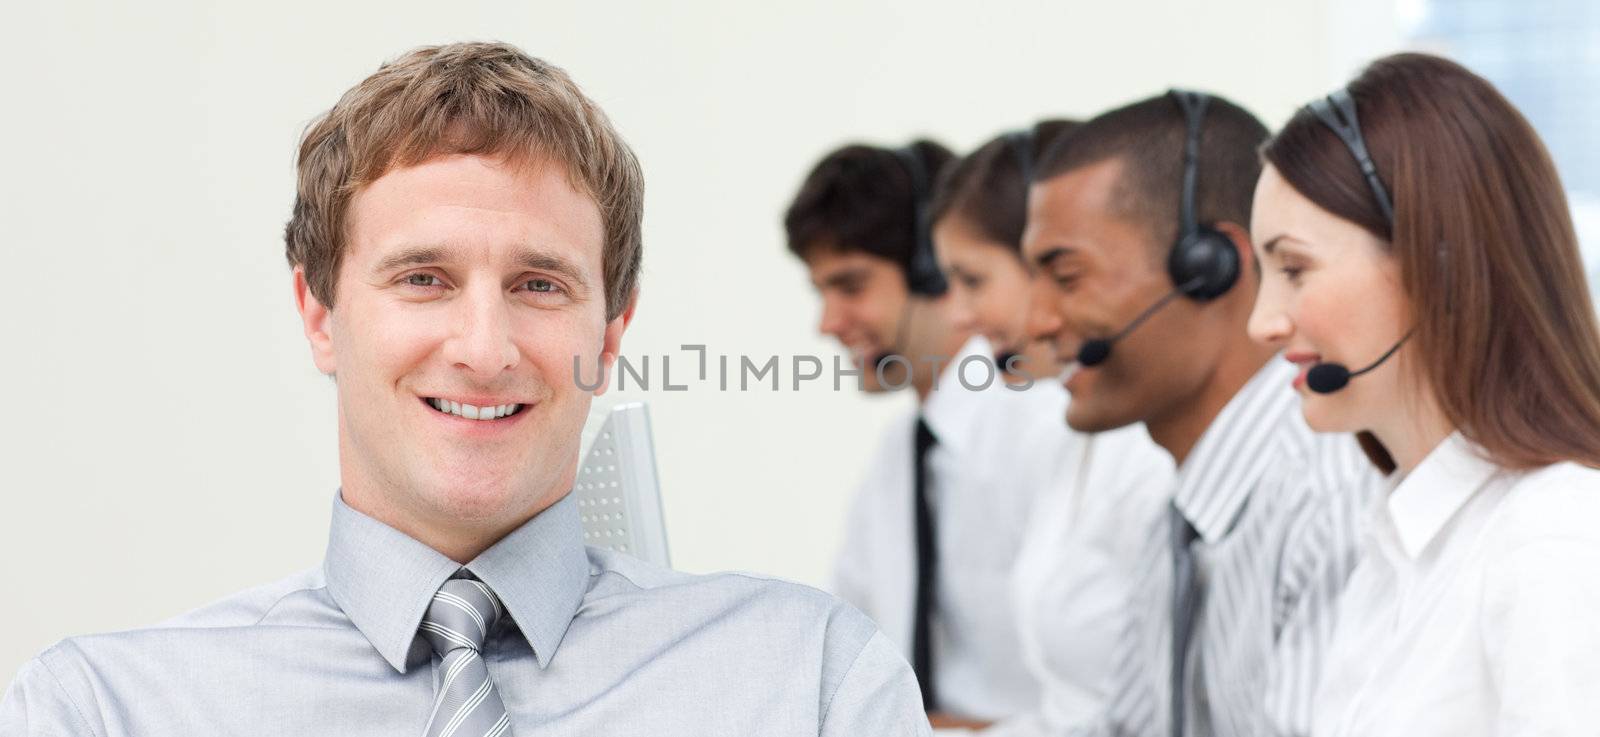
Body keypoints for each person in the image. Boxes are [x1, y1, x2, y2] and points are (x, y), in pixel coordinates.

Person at [0, 42, 930, 737]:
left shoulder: (809, 684)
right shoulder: (101, 710)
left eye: (539, 284)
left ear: (611, 332)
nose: (485, 350)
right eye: (422, 279)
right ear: (320, 313)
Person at [1249, 52, 1600, 736]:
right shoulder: (1401, 540)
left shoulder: (1555, 536)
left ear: (1437, 261)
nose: (1262, 321)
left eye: (1294, 268)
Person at [1020, 90, 1380, 736]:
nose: (1036, 322)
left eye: (1066, 277)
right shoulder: (1179, 523)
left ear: (1208, 268)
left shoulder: (1330, 505)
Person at [925, 121, 1174, 735]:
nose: (958, 315)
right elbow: (1083, 710)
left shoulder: (1149, 456)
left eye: (974, 280)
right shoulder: (1077, 435)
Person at [784, 141, 1041, 727]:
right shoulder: (898, 459)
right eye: (821, 291)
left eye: (851, 286)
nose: (828, 323)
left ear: (933, 273)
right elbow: (844, 649)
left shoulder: (1042, 427)